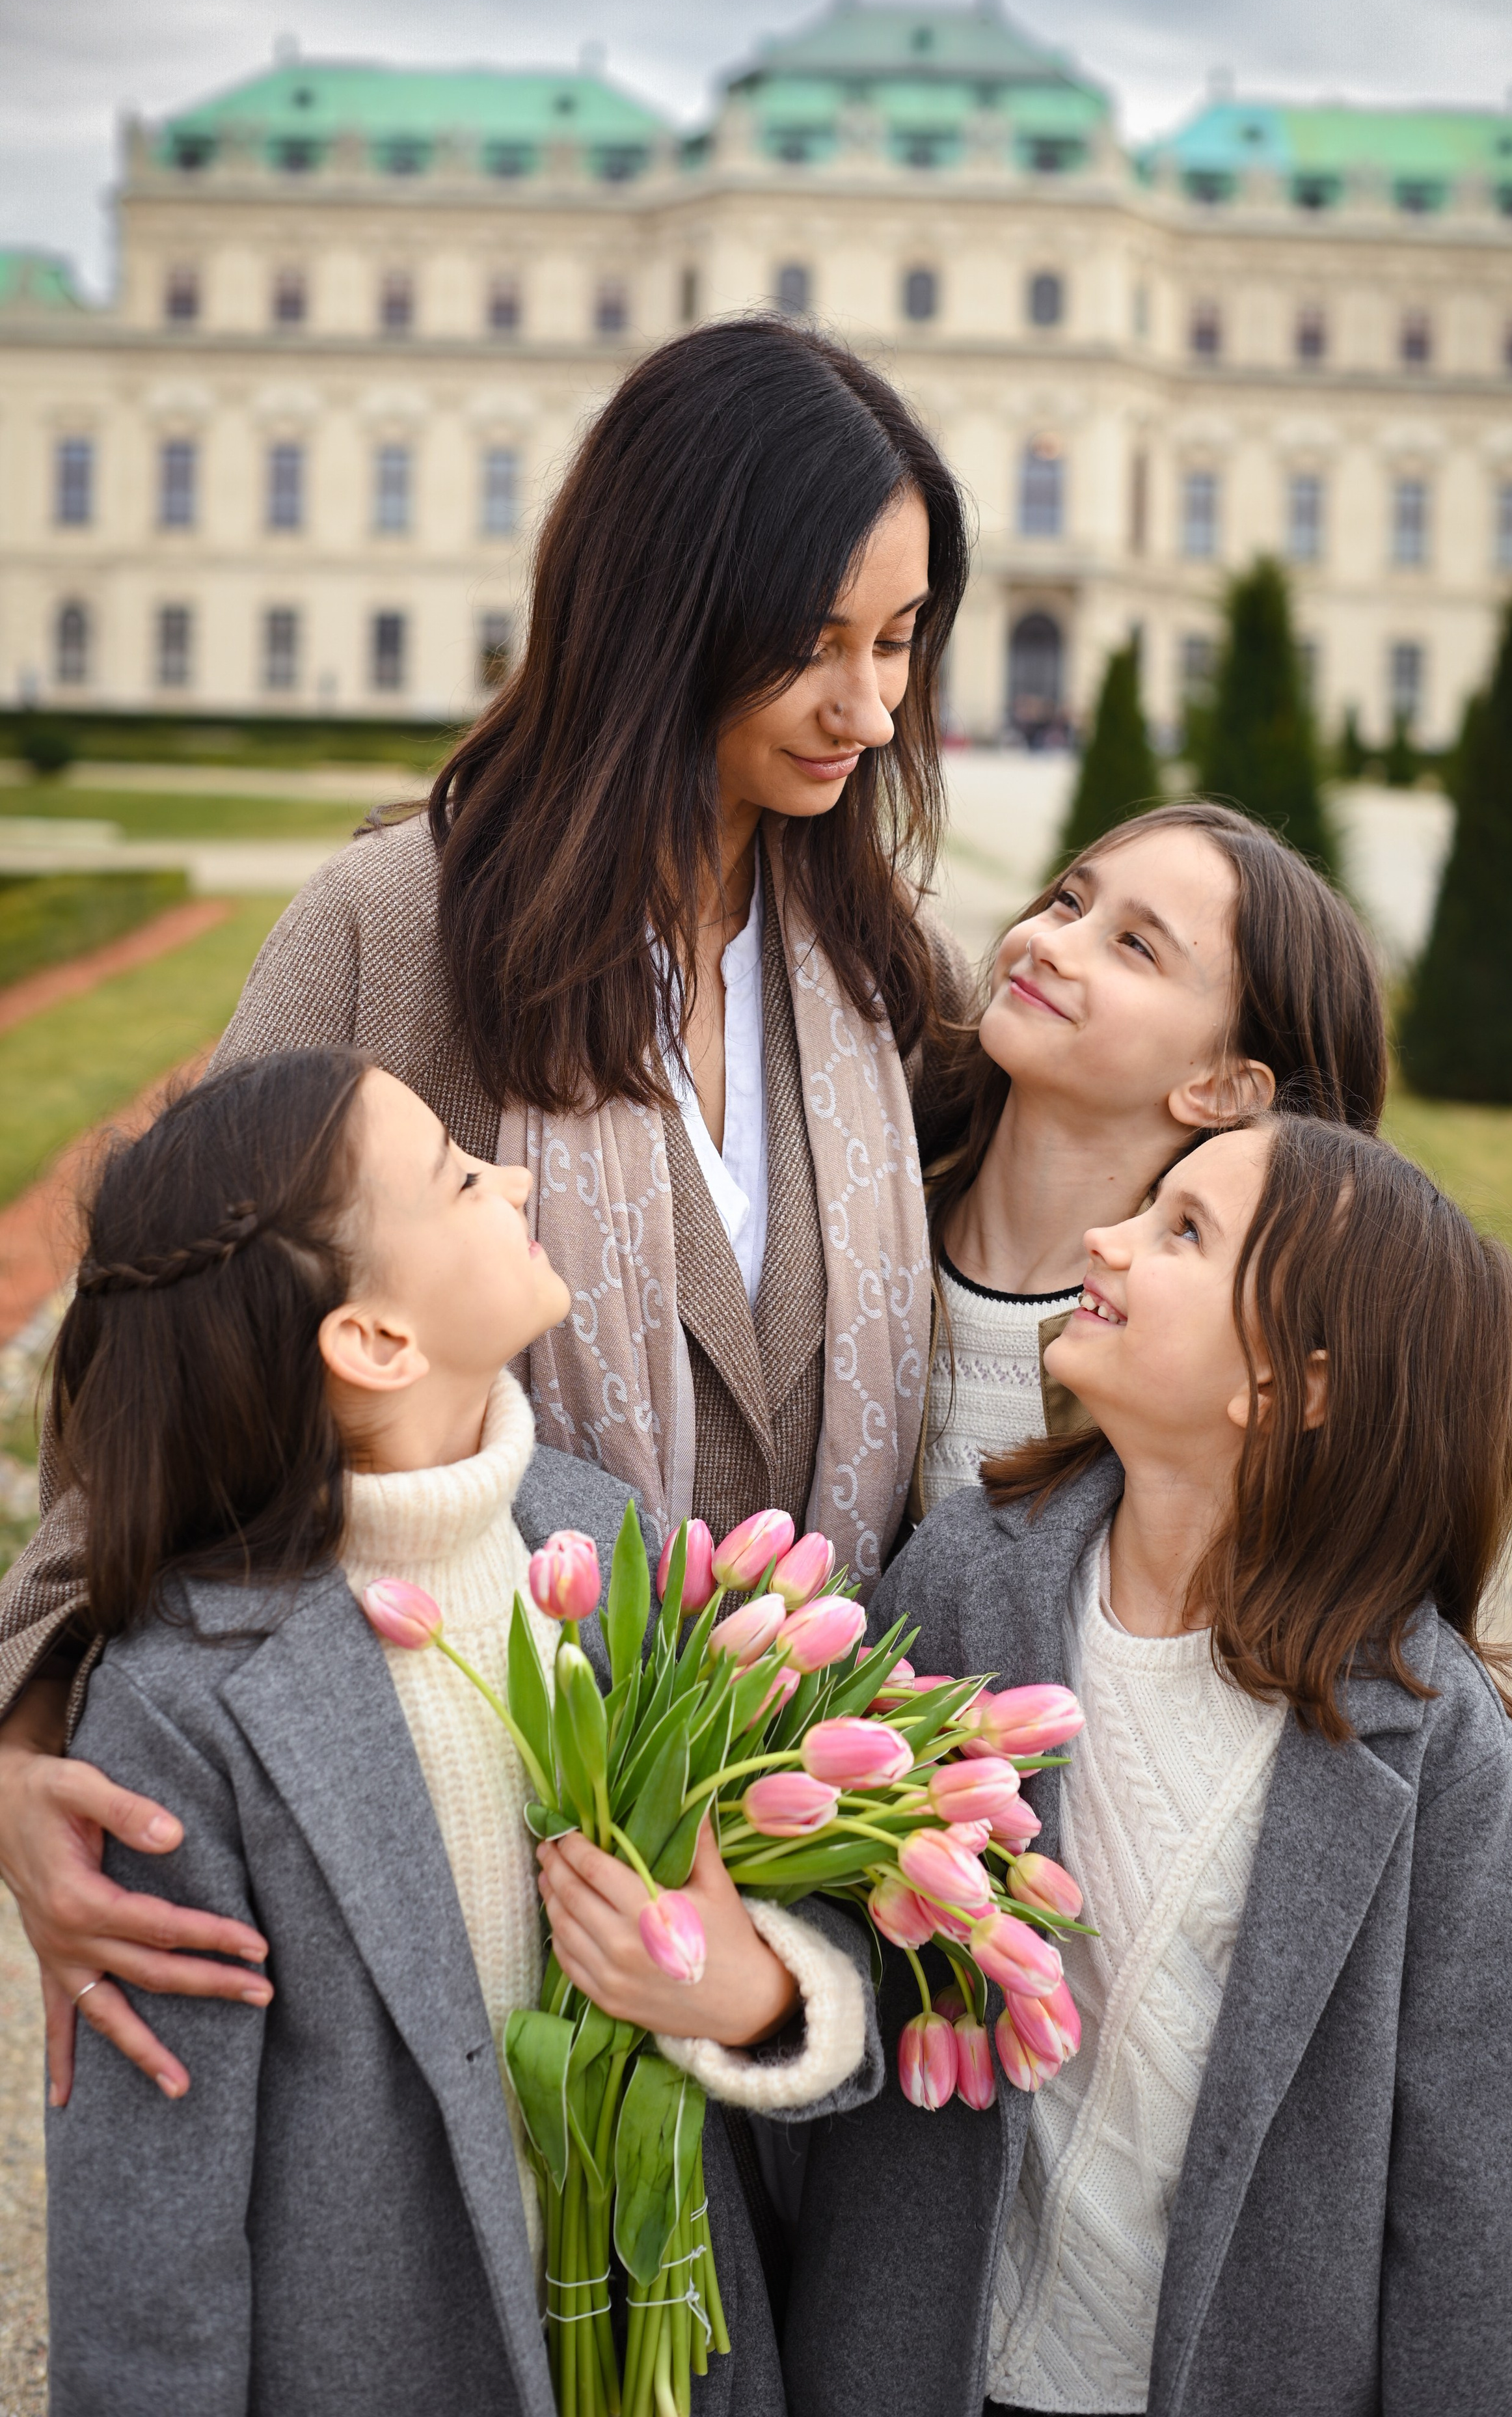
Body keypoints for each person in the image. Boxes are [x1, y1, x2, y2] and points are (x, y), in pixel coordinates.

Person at [0, 314, 971, 2098]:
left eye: (902, 641)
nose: (873, 708)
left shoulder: (881, 969)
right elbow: (162, 1324)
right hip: (463, 1861)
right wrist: (22, 1718)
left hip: (794, 1889)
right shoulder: (396, 927)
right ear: (664, 614)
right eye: (814, 646)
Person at [46, 1048, 878, 2416]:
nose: (517, 1176)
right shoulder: (180, 1702)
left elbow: (804, 1907)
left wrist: (761, 1997)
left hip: (665, 2349)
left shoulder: (616, 1551)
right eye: (456, 1175)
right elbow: (151, 2227)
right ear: (374, 1339)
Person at [789, 1114, 1512, 2417]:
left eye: (1181, 1230)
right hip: (928, 2359)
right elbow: (839, 1932)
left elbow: (1472, 2180)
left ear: (1292, 1387)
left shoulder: (1438, 1748)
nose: (1107, 1238)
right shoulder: (970, 1578)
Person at [911, 803, 1386, 1515]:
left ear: (1220, 1087)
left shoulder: (1199, 1379)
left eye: (1134, 945)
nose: (1053, 944)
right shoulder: (864, 1203)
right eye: (1069, 900)